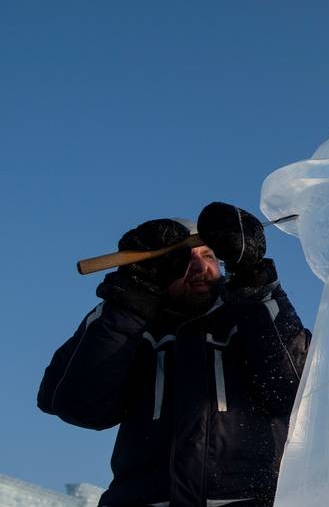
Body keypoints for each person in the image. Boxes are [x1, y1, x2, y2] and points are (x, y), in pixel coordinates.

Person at [38, 202, 310, 507]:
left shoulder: (250, 318)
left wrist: (254, 279)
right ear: (159, 268)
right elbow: (78, 405)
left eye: (209, 255)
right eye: (182, 259)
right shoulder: (128, 322)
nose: (199, 267)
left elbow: (293, 388)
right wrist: (131, 292)